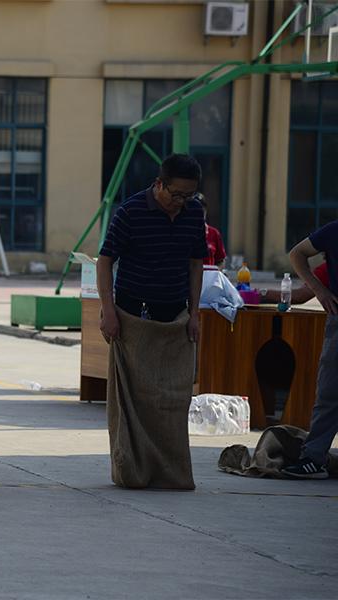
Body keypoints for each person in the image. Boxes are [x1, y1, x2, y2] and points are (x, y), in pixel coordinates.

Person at [97, 154, 207, 490]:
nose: (180, 202)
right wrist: (109, 311)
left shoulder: (193, 214)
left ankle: (169, 471)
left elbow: (195, 265)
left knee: (170, 399)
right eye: (175, 194)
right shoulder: (131, 212)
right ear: (158, 184)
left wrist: (194, 313)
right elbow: (105, 262)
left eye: (188, 196)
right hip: (133, 314)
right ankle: (134, 468)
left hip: (173, 316)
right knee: (134, 399)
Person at [282, 220, 338, 479]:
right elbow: (296, 254)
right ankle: (313, 458)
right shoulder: (333, 230)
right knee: (329, 391)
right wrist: (320, 291)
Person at [197, 194, 226, 269]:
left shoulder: (214, 233)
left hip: (210, 278)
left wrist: (215, 272)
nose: (198, 214)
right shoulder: (185, 233)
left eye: (201, 210)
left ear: (205, 211)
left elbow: (221, 260)